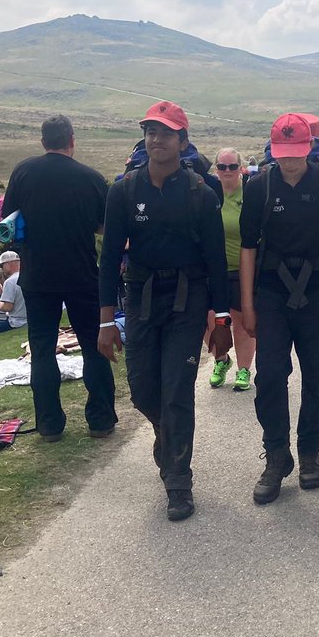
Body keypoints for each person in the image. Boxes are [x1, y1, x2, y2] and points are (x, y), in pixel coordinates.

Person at [97, 102, 232, 521]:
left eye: (166, 133)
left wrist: (222, 319)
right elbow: (107, 260)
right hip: (140, 298)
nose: (157, 139)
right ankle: (164, 434)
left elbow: (214, 261)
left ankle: (178, 481)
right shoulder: (124, 191)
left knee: (176, 390)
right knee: (142, 389)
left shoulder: (200, 192)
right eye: (150, 131)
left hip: (188, 299)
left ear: (182, 141)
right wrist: (105, 321)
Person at [240, 112, 319, 505]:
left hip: (316, 292)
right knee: (271, 375)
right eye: (282, 153)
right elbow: (247, 248)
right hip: (272, 293)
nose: (289, 160)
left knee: (316, 375)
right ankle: (277, 455)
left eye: (296, 152)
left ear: (308, 147)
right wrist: (246, 304)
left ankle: (310, 452)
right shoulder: (259, 186)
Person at [2, 113, 117, 443]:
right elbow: (105, 226)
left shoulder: (22, 172)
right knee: (94, 348)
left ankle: (50, 425)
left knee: (42, 350)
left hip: (36, 276)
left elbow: (9, 221)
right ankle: (101, 421)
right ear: (71, 140)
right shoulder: (91, 178)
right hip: (81, 273)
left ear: (43, 142)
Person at [207, 147, 255, 392]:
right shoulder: (208, 193)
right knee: (208, 321)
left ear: (241, 168)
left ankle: (244, 369)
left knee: (240, 320)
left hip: (242, 269)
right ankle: (221, 360)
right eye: (222, 167)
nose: (227, 171)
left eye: (232, 166)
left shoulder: (249, 194)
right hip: (212, 268)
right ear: (216, 169)